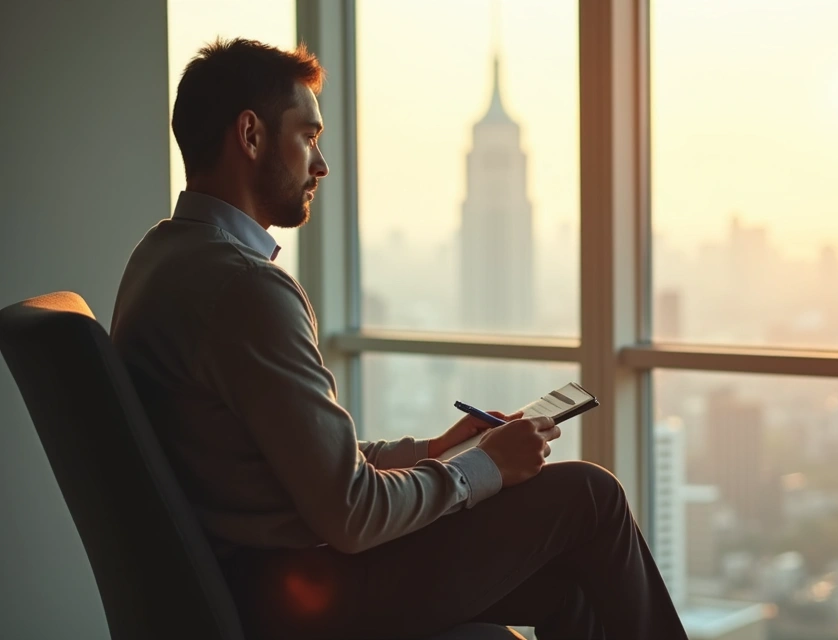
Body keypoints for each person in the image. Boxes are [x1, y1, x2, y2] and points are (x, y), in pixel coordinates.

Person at [111, 38, 687, 640]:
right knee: (590, 494)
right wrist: (484, 466)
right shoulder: (245, 290)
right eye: (308, 136)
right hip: (299, 595)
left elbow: (299, 464)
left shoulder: (161, 257)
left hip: (255, 580)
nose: (321, 163)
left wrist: (438, 449)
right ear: (251, 136)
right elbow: (352, 513)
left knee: (571, 588)